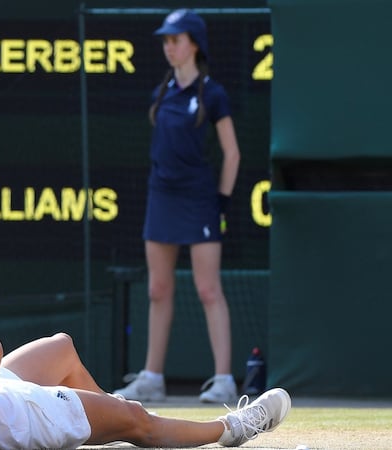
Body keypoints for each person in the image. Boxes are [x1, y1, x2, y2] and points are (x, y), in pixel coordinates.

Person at [0, 329, 290, 449]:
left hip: (4, 394)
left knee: (61, 349)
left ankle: (107, 419)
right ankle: (233, 428)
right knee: (139, 423)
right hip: (39, 418)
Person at [114, 8, 242, 404]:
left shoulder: (213, 94)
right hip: (161, 197)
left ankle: (224, 380)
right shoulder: (162, 92)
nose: (169, 47)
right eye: (166, 41)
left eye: (176, 39)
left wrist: (220, 203)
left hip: (199, 201)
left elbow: (232, 154)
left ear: (194, 45)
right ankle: (152, 378)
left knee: (207, 289)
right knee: (158, 288)